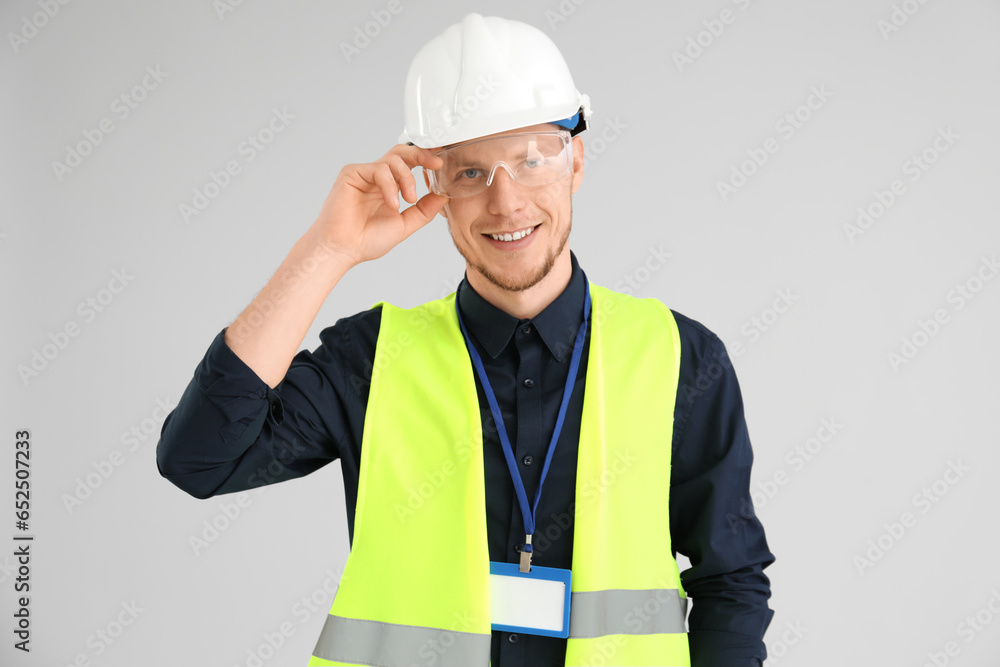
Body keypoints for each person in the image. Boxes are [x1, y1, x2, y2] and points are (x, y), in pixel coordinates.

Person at [156, 12, 774, 667]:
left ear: (577, 162)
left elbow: (730, 581)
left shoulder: (679, 356)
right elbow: (199, 459)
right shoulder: (372, 359)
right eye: (471, 172)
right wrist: (327, 251)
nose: (506, 202)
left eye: (532, 159)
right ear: (436, 189)